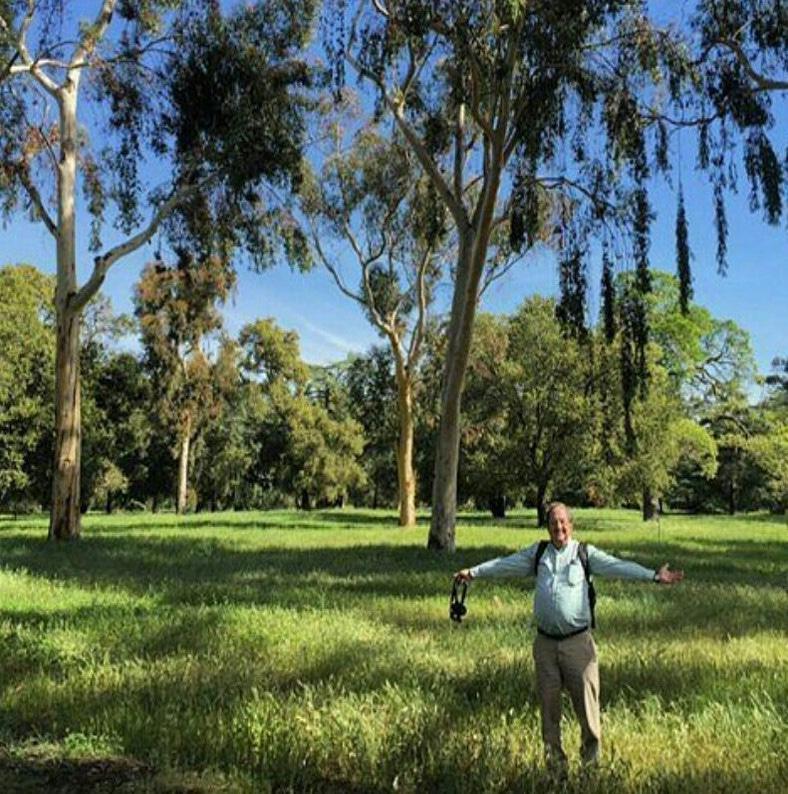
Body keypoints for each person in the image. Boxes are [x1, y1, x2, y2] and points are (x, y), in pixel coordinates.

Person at [454, 502, 684, 769]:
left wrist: (654, 576)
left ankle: (590, 767)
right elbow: (505, 564)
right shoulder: (538, 553)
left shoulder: (584, 553)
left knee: (587, 709)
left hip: (578, 644)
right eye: (553, 523)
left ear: (571, 526)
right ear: (548, 527)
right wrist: (473, 573)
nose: (558, 528)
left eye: (563, 522)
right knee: (549, 711)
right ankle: (556, 769)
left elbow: (617, 565)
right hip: (546, 646)